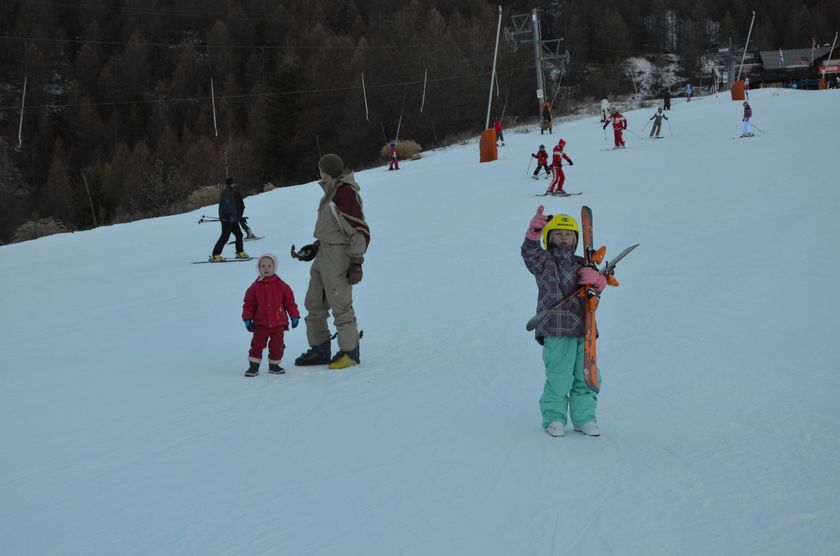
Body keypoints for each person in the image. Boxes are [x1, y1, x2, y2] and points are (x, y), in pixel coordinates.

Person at [521, 207, 607, 437]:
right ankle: (554, 418)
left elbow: (595, 295)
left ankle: (585, 418)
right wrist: (534, 232)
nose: (564, 238)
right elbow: (529, 253)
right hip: (555, 327)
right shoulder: (544, 262)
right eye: (558, 234)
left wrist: (598, 281)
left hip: (584, 328)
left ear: (576, 239)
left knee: (587, 375)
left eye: (569, 234)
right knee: (559, 377)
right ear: (549, 238)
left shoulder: (584, 264)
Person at [293, 153, 370, 370]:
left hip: (338, 256)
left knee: (340, 304)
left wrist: (356, 262)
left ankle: (350, 352)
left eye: (320, 168)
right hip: (324, 252)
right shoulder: (331, 191)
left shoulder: (344, 193)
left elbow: (359, 231)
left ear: (325, 170)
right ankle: (320, 348)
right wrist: (314, 247)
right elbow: (333, 229)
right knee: (314, 302)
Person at [241, 253, 300, 377]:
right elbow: (249, 304)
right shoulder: (254, 287)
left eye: (269, 265)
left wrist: (294, 316)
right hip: (261, 324)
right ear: (259, 268)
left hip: (278, 323)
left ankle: (274, 365)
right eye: (262, 266)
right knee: (257, 345)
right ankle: (253, 367)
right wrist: (247, 319)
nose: (266, 268)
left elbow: (290, 303)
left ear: (274, 267)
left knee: (277, 346)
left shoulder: (282, 286)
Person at [210, 177, 248, 262]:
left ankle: (239, 252)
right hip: (227, 219)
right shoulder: (226, 192)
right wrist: (228, 215)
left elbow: (233, 206)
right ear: (232, 183)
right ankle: (216, 255)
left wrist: (237, 216)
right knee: (225, 237)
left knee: (239, 234)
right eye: (234, 183)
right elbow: (226, 205)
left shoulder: (230, 191)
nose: (235, 185)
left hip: (232, 219)